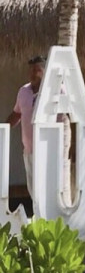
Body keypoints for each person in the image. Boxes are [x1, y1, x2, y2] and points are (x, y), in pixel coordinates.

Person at [6, 55, 46, 201]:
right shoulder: (23, 91)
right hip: (29, 152)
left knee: (47, 190)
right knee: (34, 191)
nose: (32, 74)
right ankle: (37, 214)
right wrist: (3, 128)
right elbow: (17, 114)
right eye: (30, 70)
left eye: (36, 70)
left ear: (45, 71)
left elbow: (68, 117)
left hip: (48, 152)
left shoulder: (55, 91)